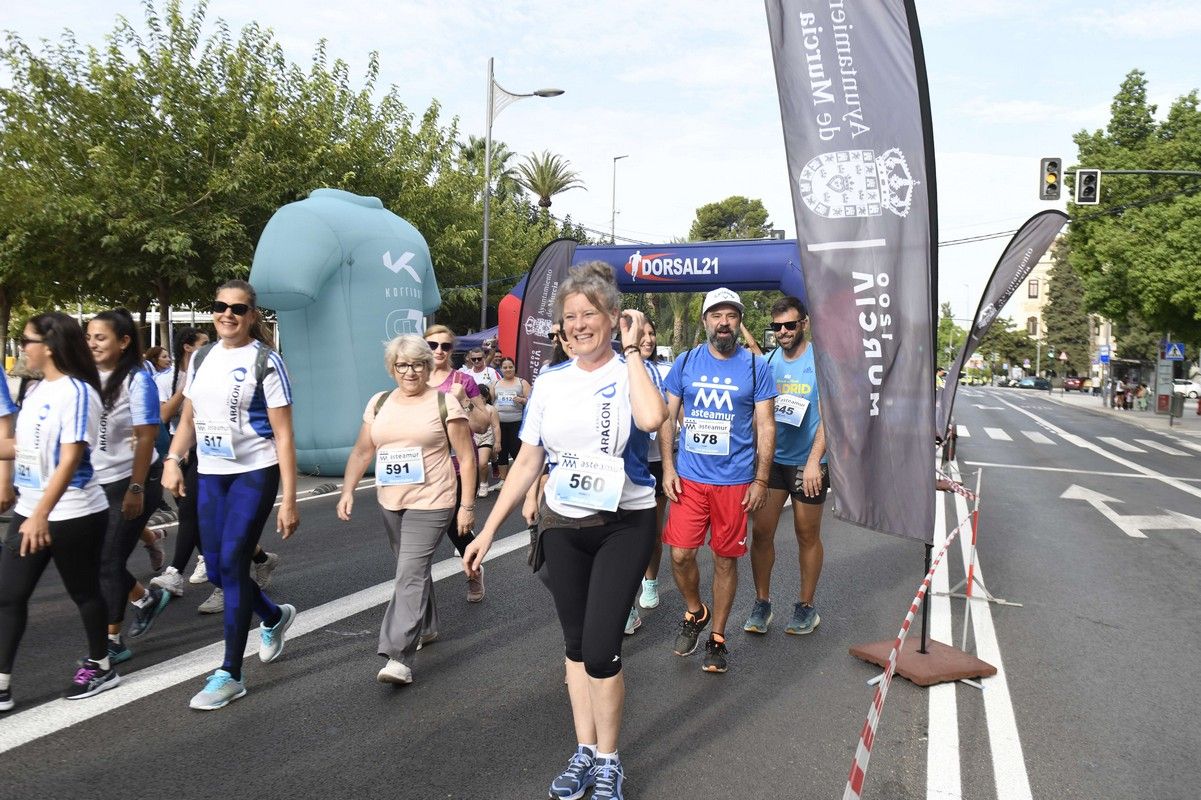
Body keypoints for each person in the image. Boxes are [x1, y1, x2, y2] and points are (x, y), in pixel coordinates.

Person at [464, 262, 666, 800]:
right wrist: (488, 531)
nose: (579, 325)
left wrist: (633, 352)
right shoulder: (551, 382)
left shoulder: (632, 371)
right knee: (576, 647)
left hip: (624, 523)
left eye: (589, 314)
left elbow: (651, 420)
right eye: (570, 317)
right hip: (562, 525)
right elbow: (529, 461)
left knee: (601, 650)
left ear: (612, 317)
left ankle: (610, 760)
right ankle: (585, 751)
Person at [162, 279, 299, 710]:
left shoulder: (266, 362)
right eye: (220, 306)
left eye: (238, 309)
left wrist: (290, 499)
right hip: (210, 474)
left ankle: (231, 673)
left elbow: (284, 435)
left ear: (252, 315)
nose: (227, 314)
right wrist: (172, 459)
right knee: (218, 571)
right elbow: (188, 417)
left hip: (254, 473)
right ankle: (273, 616)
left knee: (234, 562)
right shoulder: (201, 357)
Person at [337, 335, 476, 684]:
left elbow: (466, 457)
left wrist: (467, 506)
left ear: (427, 367)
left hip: (434, 501)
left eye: (417, 365)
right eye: (402, 365)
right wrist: (347, 490)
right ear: (392, 368)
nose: (409, 372)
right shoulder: (380, 402)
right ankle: (426, 626)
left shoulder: (444, 403)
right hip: (391, 501)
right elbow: (362, 451)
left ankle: (398, 655)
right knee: (411, 568)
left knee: (409, 571)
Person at [0, 313, 117, 709]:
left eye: (26, 341)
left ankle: (101, 665)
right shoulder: (36, 391)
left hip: (73, 511)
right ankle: (1, 684)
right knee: (8, 594)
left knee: (83, 592)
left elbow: (70, 459)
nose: (22, 348)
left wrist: (41, 514)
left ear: (48, 346)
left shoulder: (79, 392)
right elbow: (22, 447)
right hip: (31, 507)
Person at [660, 288, 776, 673]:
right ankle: (696, 611)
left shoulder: (757, 366)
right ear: (705, 320)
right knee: (680, 555)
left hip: (735, 481)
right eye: (716, 315)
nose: (723, 323)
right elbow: (667, 417)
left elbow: (766, 425)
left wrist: (761, 480)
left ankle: (718, 637)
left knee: (725, 560)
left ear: (739, 321)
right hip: (690, 478)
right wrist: (668, 467)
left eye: (731, 316)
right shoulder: (686, 361)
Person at [152, 328, 279, 611]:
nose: (211, 346)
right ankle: (255, 563)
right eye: (203, 343)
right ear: (188, 348)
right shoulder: (177, 374)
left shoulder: (243, 365)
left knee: (202, 518)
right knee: (201, 517)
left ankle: (185, 573)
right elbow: (173, 417)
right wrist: (175, 453)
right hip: (191, 451)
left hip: (231, 457)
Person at [742, 297, 829, 637]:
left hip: (808, 463)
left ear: (803, 324)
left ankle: (806, 607)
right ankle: (762, 603)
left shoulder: (820, 361)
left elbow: (831, 417)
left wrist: (814, 461)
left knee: (806, 535)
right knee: (762, 533)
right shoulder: (769, 361)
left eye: (790, 325)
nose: (783, 332)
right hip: (774, 462)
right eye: (777, 326)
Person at [87, 310, 170, 664]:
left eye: (100, 337)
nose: (92, 344)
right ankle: (144, 598)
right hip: (97, 481)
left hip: (135, 481)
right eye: (89, 337)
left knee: (108, 560)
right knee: (96, 559)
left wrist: (136, 489)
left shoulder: (138, 380)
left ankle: (113, 641)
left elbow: (146, 436)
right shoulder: (86, 376)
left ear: (123, 342)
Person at [425, 324, 489, 602]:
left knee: (457, 529)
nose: (439, 350)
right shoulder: (414, 378)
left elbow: (482, 424)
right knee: (420, 531)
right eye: (432, 345)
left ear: (452, 350)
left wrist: (464, 401)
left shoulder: (463, 380)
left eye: (445, 346)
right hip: (425, 467)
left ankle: (474, 571)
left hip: (458, 466)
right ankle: (417, 593)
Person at [627, 318, 673, 635]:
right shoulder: (616, 369)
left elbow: (667, 417)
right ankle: (625, 603)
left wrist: (669, 466)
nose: (648, 339)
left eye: (652, 334)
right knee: (623, 538)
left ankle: (651, 581)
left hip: (654, 463)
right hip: (627, 464)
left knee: (652, 533)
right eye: (641, 334)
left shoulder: (662, 372)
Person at [492, 357, 530, 485]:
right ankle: (503, 480)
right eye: (505, 367)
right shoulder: (495, 383)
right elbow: (490, 401)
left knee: (516, 450)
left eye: (510, 367)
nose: (508, 369)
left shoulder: (522, 382)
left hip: (517, 422)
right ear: (501, 369)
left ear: (514, 368)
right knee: (501, 451)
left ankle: (520, 478)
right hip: (499, 423)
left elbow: (531, 401)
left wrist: (522, 400)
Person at [474, 385, 502, 497]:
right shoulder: (469, 407)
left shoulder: (491, 409)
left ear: (486, 397)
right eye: (477, 397)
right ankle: (473, 485)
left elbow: (496, 426)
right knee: (472, 464)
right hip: (472, 438)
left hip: (486, 437)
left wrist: (497, 442)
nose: (479, 400)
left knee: (483, 463)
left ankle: (483, 484)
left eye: (482, 397)